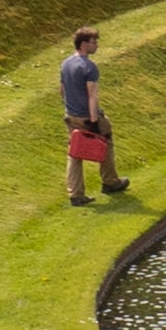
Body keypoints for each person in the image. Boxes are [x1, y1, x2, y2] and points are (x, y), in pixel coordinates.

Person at [60, 26, 120, 205]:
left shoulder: (65, 64)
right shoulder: (89, 67)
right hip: (87, 116)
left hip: (71, 115)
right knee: (106, 141)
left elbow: (62, 91)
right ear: (84, 44)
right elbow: (92, 96)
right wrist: (94, 121)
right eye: (94, 42)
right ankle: (110, 181)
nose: (97, 45)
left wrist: (71, 107)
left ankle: (76, 194)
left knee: (75, 154)